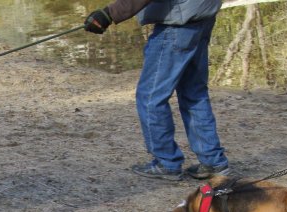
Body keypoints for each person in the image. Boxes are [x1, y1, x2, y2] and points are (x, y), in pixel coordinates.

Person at [84, 0, 230, 181]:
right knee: (194, 93)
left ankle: (167, 163)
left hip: (177, 24)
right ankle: (213, 162)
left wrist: (108, 14)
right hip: (202, 15)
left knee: (150, 97)